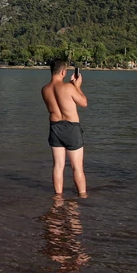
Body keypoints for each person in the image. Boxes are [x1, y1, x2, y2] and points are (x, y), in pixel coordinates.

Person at [41, 60, 88, 197]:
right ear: (63, 72)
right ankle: (83, 196)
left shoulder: (44, 89)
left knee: (58, 166)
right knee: (77, 167)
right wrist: (77, 86)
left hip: (55, 127)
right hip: (71, 128)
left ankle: (58, 198)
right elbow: (84, 103)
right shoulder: (68, 87)